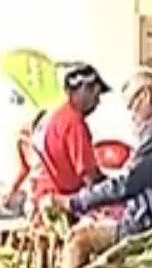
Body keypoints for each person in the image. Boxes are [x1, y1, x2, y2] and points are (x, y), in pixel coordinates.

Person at [50, 69, 152, 268]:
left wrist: (74, 202)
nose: (132, 117)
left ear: (146, 95)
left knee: (78, 239)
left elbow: (127, 183)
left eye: (132, 106)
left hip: (146, 223)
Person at [29, 63, 109, 208]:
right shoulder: (74, 123)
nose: (98, 102)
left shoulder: (55, 115)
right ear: (84, 89)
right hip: (59, 203)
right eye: (96, 95)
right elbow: (90, 178)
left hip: (41, 198)